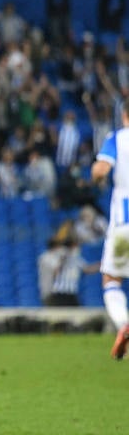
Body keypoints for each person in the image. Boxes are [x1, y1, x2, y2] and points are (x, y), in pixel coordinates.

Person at [92, 106, 129, 359]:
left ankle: (123, 325)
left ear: (125, 116)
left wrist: (96, 179)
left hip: (124, 224)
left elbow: (101, 169)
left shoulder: (117, 138)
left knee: (111, 279)